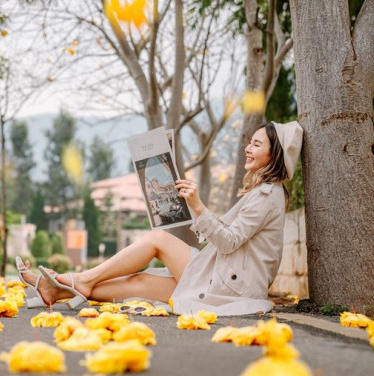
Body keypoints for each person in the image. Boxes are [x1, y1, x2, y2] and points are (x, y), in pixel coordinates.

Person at [17, 121, 303, 315]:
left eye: (256, 145)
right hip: (221, 273)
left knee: (157, 240)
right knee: (140, 281)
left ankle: (76, 279)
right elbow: (227, 238)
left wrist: (198, 206)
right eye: (249, 143)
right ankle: (58, 291)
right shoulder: (263, 193)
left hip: (228, 283)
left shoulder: (268, 196)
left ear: (273, 154)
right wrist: (187, 207)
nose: (247, 148)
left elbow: (228, 242)